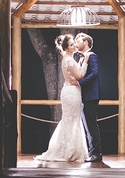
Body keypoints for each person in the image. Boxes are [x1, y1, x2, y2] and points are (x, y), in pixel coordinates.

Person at [34, 34, 90, 163]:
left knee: (71, 119)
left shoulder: (67, 58)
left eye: (73, 43)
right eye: (71, 45)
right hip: (72, 92)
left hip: (70, 90)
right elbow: (80, 75)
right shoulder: (69, 60)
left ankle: (72, 148)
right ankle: (68, 150)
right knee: (71, 120)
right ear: (66, 48)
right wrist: (85, 61)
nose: (74, 46)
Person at [74, 32, 103, 162]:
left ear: (86, 42)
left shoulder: (92, 55)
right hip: (83, 96)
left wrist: (80, 83)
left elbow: (95, 73)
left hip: (91, 95)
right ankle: (92, 152)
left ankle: (96, 153)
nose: (76, 43)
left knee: (91, 124)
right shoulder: (81, 57)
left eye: (78, 41)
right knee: (87, 125)